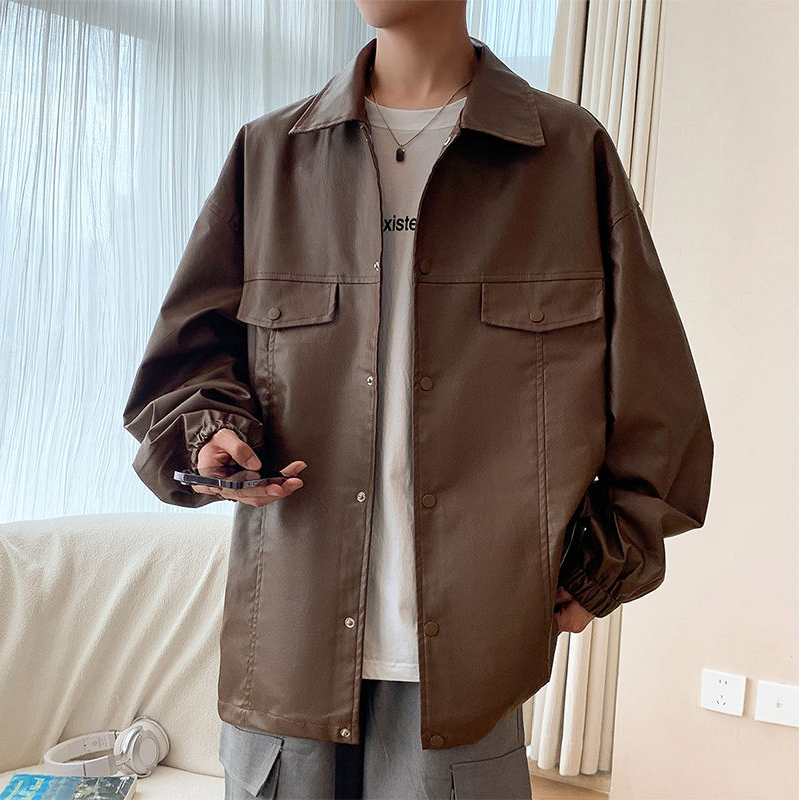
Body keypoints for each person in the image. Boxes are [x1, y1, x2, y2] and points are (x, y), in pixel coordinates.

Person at [123, 1, 714, 798]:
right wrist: (211, 435)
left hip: (472, 663)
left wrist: (604, 566)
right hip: (288, 649)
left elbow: (660, 403)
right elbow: (186, 362)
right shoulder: (271, 155)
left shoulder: (568, 156)